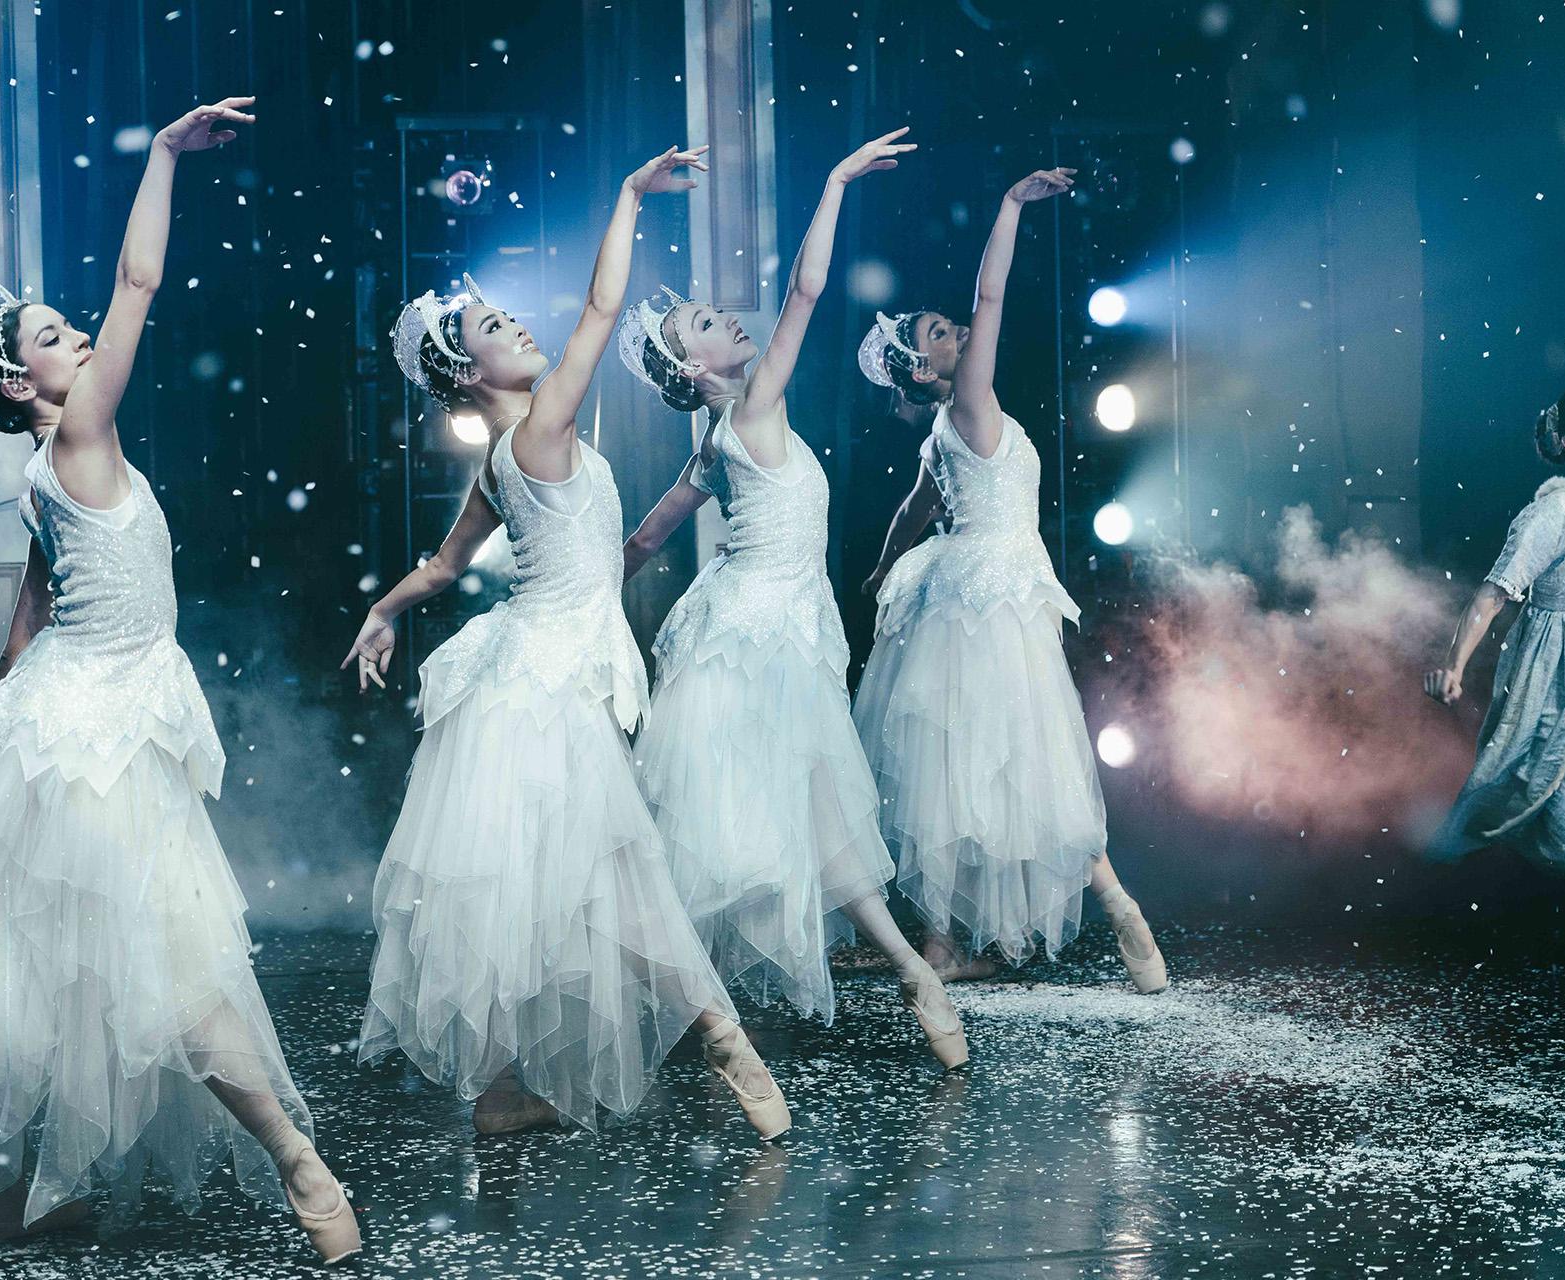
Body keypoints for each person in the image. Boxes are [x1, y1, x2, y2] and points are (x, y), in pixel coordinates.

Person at [0, 98, 362, 1265]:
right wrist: (158, 160)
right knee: (158, 957)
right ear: (26, 383)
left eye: (69, 326)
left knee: (55, 958)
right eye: (53, 335)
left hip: (71, 715)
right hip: (90, 724)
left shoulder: (61, 463)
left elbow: (31, 604)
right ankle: (297, 1158)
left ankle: (14, 1194)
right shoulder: (79, 434)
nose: (80, 336)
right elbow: (141, 284)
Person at [346, 145, 793, 1143]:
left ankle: (504, 1089)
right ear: (469, 370)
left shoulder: (507, 459)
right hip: (542, 682)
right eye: (496, 327)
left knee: (537, 883)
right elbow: (600, 312)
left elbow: (445, 565)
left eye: (511, 315)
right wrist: (628, 198)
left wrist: (383, 609)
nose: (522, 327)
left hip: (532, 671)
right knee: (609, 873)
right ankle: (720, 1035)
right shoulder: (538, 431)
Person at [613, 129, 968, 1068]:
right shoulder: (751, 407)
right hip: (752, 638)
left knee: (803, 809)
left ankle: (906, 971)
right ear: (693, 367)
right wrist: (837, 179)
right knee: (755, 820)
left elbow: (647, 544)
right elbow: (806, 293)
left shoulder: (724, 432)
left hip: (768, 631)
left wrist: (594, 595)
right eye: (703, 322)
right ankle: (701, 1015)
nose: (726, 317)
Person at [852, 169, 1169, 993]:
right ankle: (1108, 904)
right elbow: (990, 300)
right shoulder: (971, 406)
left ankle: (947, 936)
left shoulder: (949, 431)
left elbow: (914, 511)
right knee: (1020, 760)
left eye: (951, 325)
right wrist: (1008, 207)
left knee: (962, 768)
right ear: (923, 370)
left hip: (975, 593)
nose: (958, 330)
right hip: (991, 594)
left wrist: (886, 566)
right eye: (939, 333)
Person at [1426, 385, 1565, 874]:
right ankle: (1443, 878)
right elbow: (1492, 596)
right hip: (1558, 669)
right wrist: (1453, 668)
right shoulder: (1553, 517)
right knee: (1541, 788)